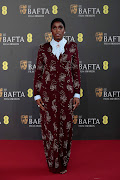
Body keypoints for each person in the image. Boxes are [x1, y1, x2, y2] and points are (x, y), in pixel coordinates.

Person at [33, 18, 81, 174]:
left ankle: (63, 163)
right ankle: (53, 164)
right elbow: (38, 73)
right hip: (47, 96)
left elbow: (75, 72)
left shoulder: (72, 47)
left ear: (64, 30)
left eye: (60, 27)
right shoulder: (43, 48)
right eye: (54, 27)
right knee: (50, 130)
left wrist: (76, 93)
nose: (58, 30)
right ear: (51, 31)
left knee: (65, 129)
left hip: (67, 95)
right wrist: (36, 94)